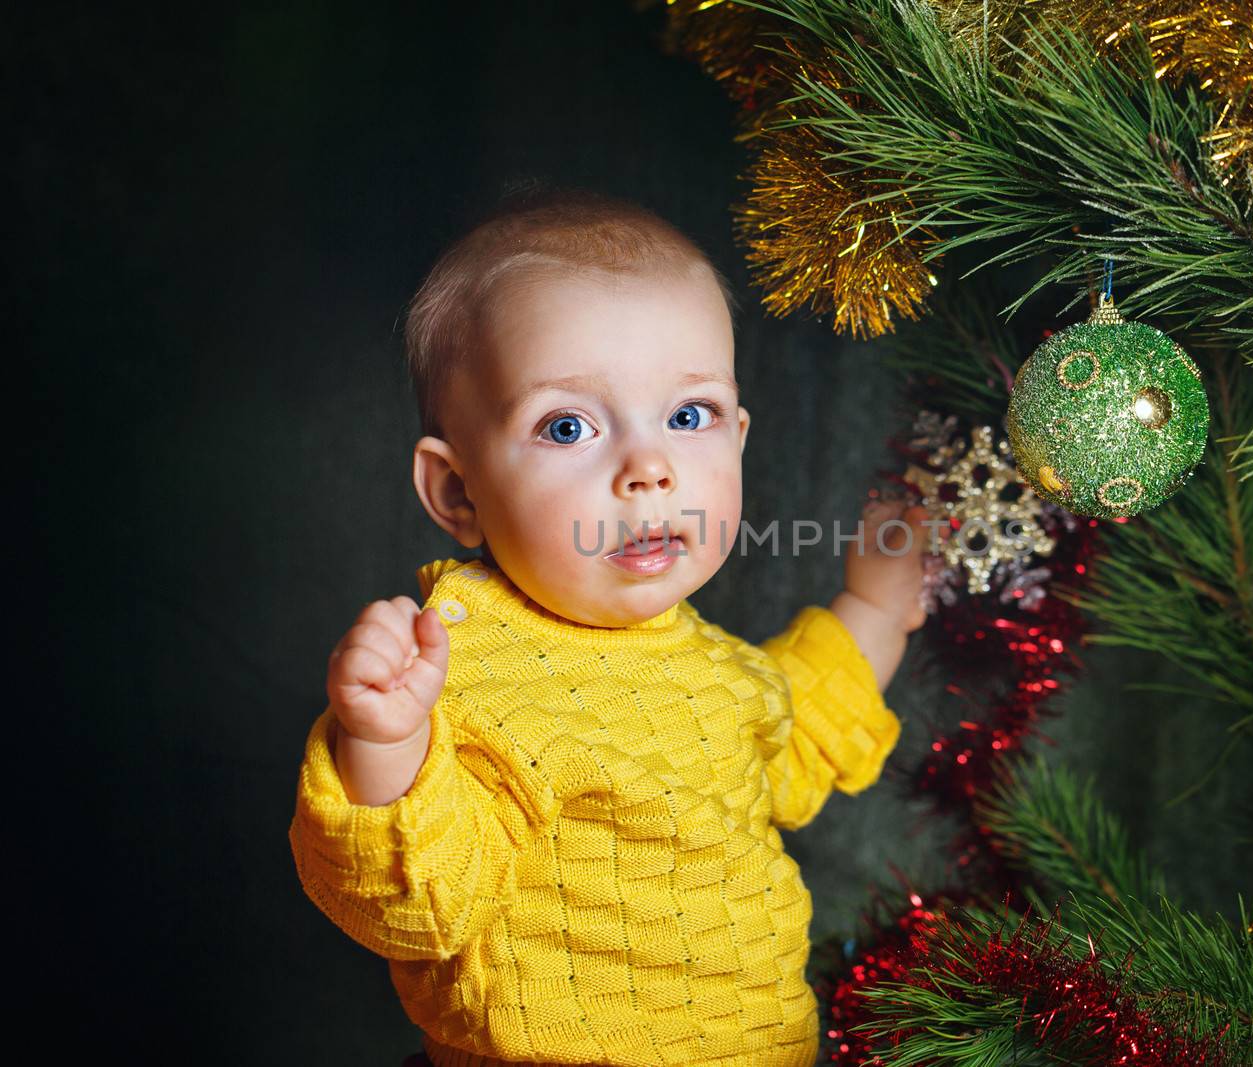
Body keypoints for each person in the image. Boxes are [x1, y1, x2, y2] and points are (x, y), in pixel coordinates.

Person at [287, 186, 933, 1067]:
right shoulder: (464, 675)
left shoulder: (717, 671)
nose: (650, 468)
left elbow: (803, 719)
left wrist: (875, 605)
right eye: (568, 425)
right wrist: (386, 744)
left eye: (689, 415)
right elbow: (420, 905)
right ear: (455, 490)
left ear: (739, 440)